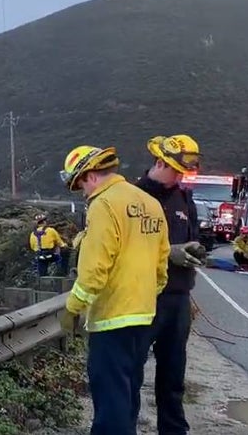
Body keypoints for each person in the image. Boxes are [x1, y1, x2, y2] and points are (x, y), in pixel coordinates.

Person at [59, 144, 169, 435]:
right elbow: (161, 263)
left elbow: (95, 267)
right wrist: (147, 296)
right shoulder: (150, 203)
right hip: (144, 316)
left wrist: (73, 307)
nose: (83, 192)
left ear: (91, 175)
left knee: (109, 398)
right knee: (129, 391)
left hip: (112, 318)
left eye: (80, 184)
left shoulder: (104, 204)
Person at [135, 134, 208, 435]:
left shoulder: (184, 199)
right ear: (159, 161)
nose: (179, 176)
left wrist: (195, 249)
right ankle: (125, 426)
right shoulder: (134, 197)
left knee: (173, 375)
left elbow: (193, 236)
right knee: (130, 373)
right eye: (175, 170)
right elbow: (127, 249)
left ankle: (173, 430)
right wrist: (169, 253)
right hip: (141, 298)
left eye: (183, 172)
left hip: (177, 300)